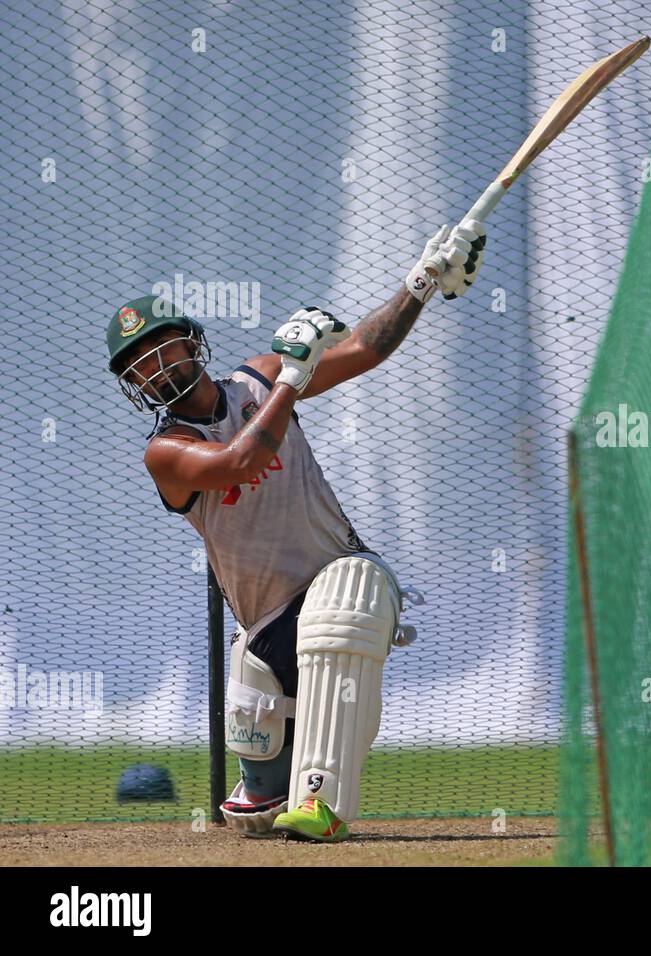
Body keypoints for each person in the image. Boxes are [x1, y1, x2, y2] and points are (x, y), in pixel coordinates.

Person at [105, 221, 487, 841]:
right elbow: (239, 462)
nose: (156, 370)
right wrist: (292, 377)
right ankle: (278, 785)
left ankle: (323, 803)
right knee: (258, 814)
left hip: (340, 578)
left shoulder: (255, 378)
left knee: (345, 605)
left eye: (163, 349)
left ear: (191, 344)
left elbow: (364, 348)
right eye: (139, 367)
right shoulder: (167, 451)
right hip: (268, 626)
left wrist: (420, 282)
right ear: (132, 386)